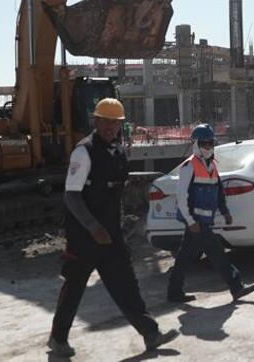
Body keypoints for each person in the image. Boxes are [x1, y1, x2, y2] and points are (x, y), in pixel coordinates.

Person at [48, 98, 178, 358]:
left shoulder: (118, 151)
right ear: (96, 121)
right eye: (105, 121)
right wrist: (93, 226)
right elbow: (71, 196)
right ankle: (58, 338)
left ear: (120, 125)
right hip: (84, 237)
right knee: (74, 288)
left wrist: (119, 223)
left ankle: (150, 333)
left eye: (115, 123)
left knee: (127, 285)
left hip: (111, 236)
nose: (110, 127)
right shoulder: (83, 152)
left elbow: (116, 192)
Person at [167, 123, 254, 304]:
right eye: (205, 143)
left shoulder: (212, 167)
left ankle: (174, 292)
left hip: (203, 221)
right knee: (217, 251)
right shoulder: (189, 167)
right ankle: (236, 286)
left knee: (184, 257)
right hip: (195, 221)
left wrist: (225, 212)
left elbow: (218, 192)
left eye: (211, 144)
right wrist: (190, 220)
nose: (208, 147)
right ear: (197, 144)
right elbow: (181, 195)